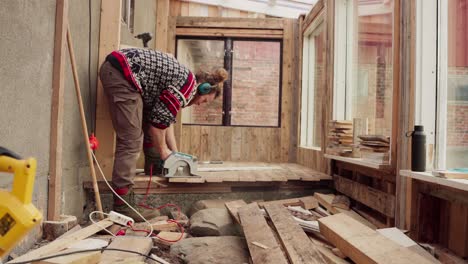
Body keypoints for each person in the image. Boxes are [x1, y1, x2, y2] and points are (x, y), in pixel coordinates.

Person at [100, 48, 228, 220]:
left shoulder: (184, 82)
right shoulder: (187, 87)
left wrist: (174, 155)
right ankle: (123, 205)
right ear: (203, 89)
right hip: (121, 74)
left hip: (122, 72)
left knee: (149, 122)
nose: (199, 104)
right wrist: (164, 152)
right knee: (131, 141)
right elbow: (158, 125)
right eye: (204, 101)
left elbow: (165, 122)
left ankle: (154, 166)